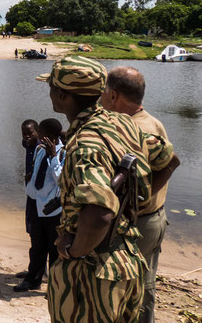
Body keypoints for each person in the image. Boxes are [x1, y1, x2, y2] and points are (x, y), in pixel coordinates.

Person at [36, 56, 179, 322]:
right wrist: (137, 201)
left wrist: (72, 250)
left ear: (63, 95)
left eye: (52, 87)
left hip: (94, 272)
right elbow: (169, 160)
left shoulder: (85, 143)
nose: (50, 93)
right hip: (127, 258)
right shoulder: (123, 123)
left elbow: (100, 212)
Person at [99, 66, 171, 323]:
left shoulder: (134, 130)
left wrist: (141, 201)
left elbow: (171, 163)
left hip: (141, 222)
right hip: (154, 218)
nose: (101, 98)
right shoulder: (152, 122)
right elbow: (169, 163)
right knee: (145, 283)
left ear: (114, 95)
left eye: (104, 93)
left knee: (134, 290)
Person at [14, 118, 65, 292]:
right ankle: (33, 279)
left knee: (54, 249)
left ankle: (55, 286)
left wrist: (53, 156)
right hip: (37, 205)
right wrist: (29, 182)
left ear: (50, 135)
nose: (39, 136)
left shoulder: (63, 153)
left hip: (53, 210)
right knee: (37, 247)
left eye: (42, 133)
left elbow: (62, 181)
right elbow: (37, 173)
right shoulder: (39, 149)